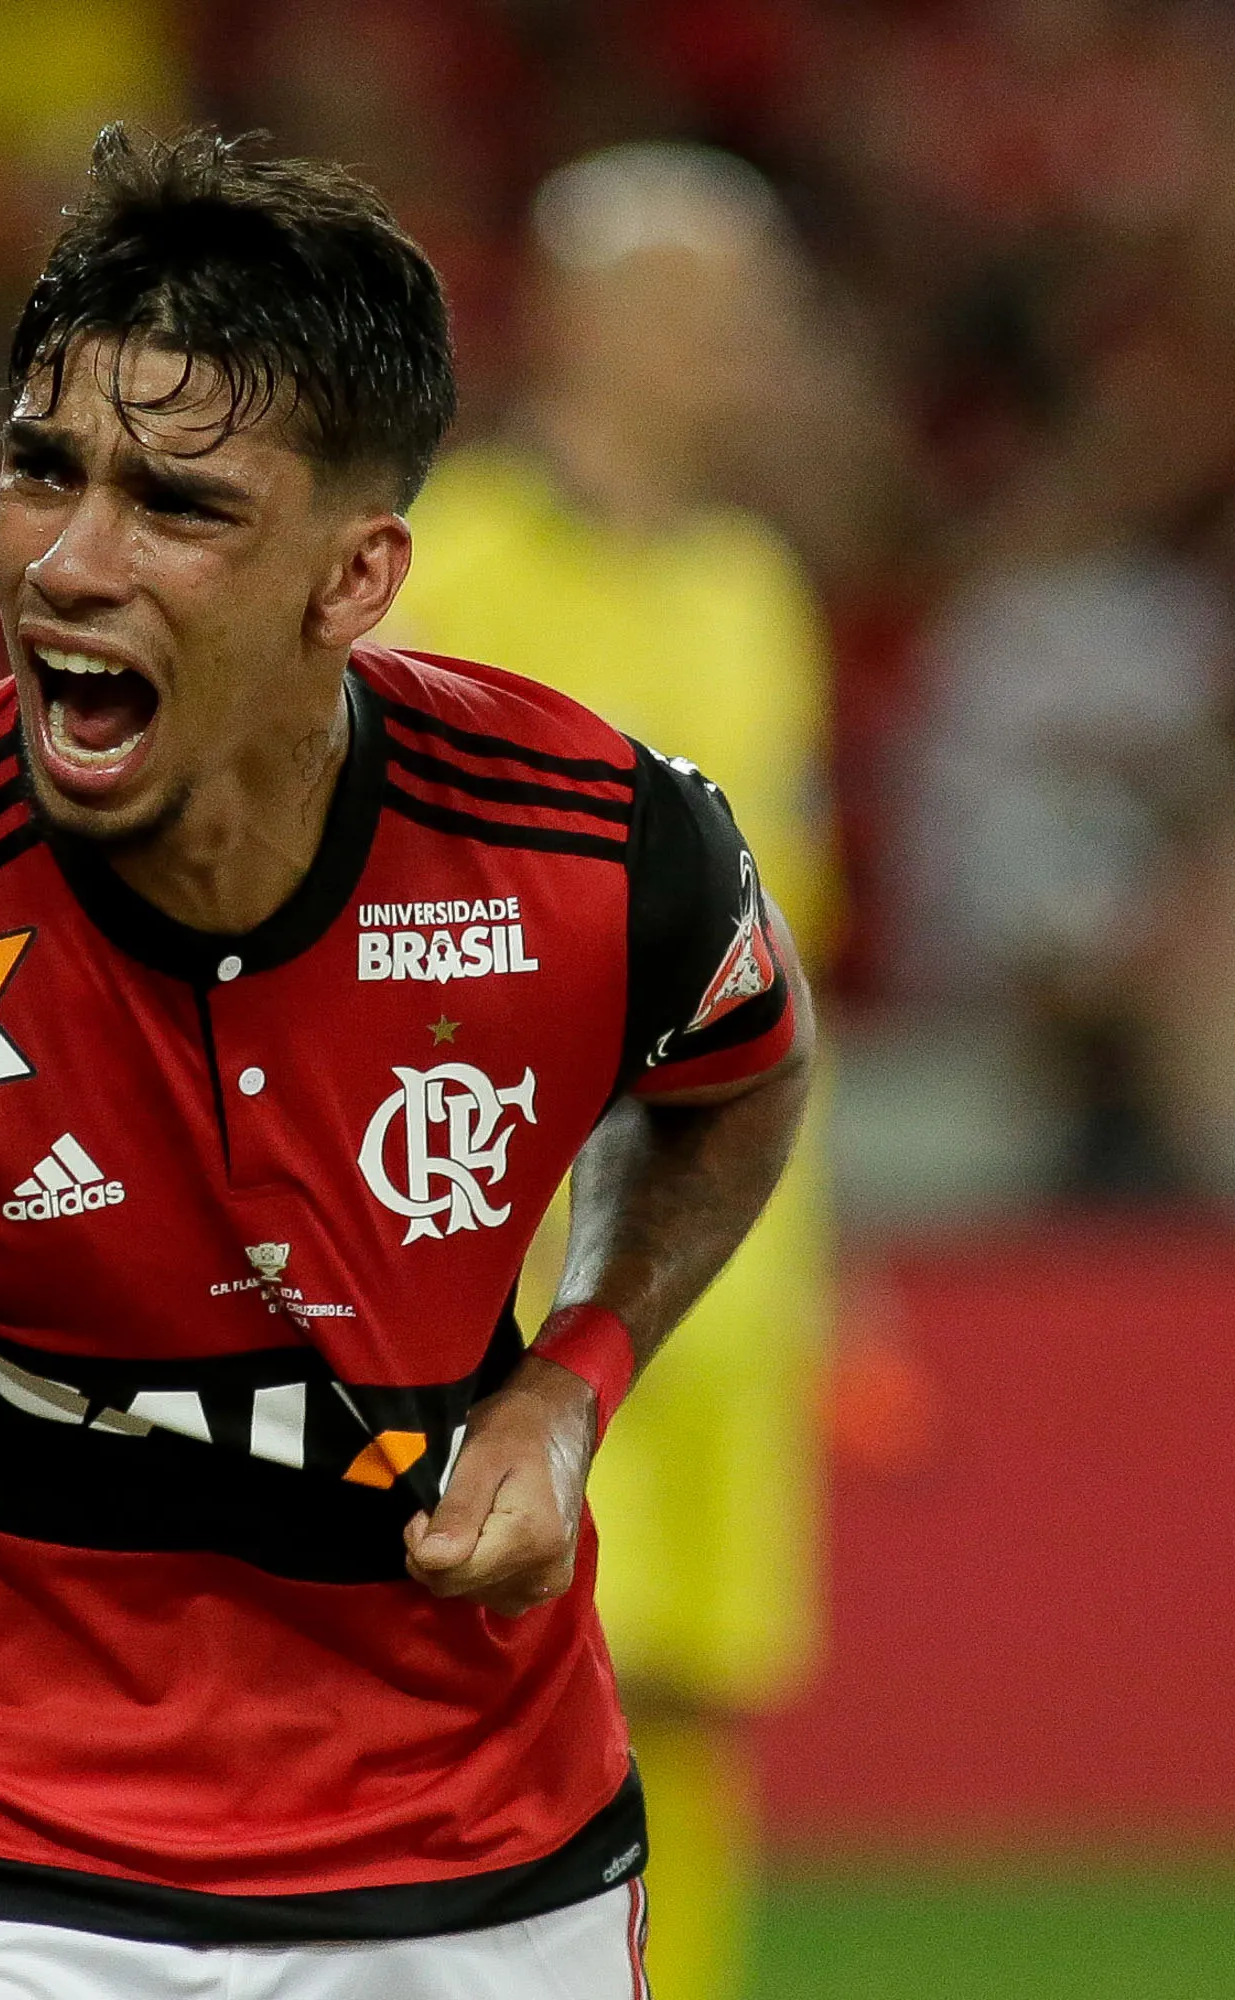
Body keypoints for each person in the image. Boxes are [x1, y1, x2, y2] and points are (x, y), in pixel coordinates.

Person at [0, 127, 812, 1998]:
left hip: (485, 1864)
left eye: (175, 505)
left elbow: (738, 1077)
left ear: (356, 579)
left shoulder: (600, 845)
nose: (71, 564)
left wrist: (571, 1379)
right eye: (38, 471)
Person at [384, 144, 836, 2000]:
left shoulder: (755, 586)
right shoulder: (459, 563)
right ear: (597, 316)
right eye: (711, 303)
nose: (753, 342)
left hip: (738, 1241)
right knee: (548, 1669)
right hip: (534, 1238)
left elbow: (796, 935)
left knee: (705, 1692)